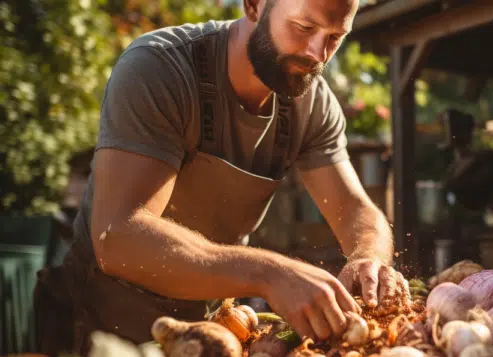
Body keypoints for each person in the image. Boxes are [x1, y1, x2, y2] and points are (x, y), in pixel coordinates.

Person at [33, 0, 408, 355]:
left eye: (334, 37)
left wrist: (368, 259)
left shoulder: (311, 103)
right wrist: (270, 272)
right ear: (254, 4)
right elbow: (117, 236)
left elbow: (356, 211)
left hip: (208, 335)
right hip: (99, 331)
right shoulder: (159, 69)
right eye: (304, 26)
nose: (317, 54)